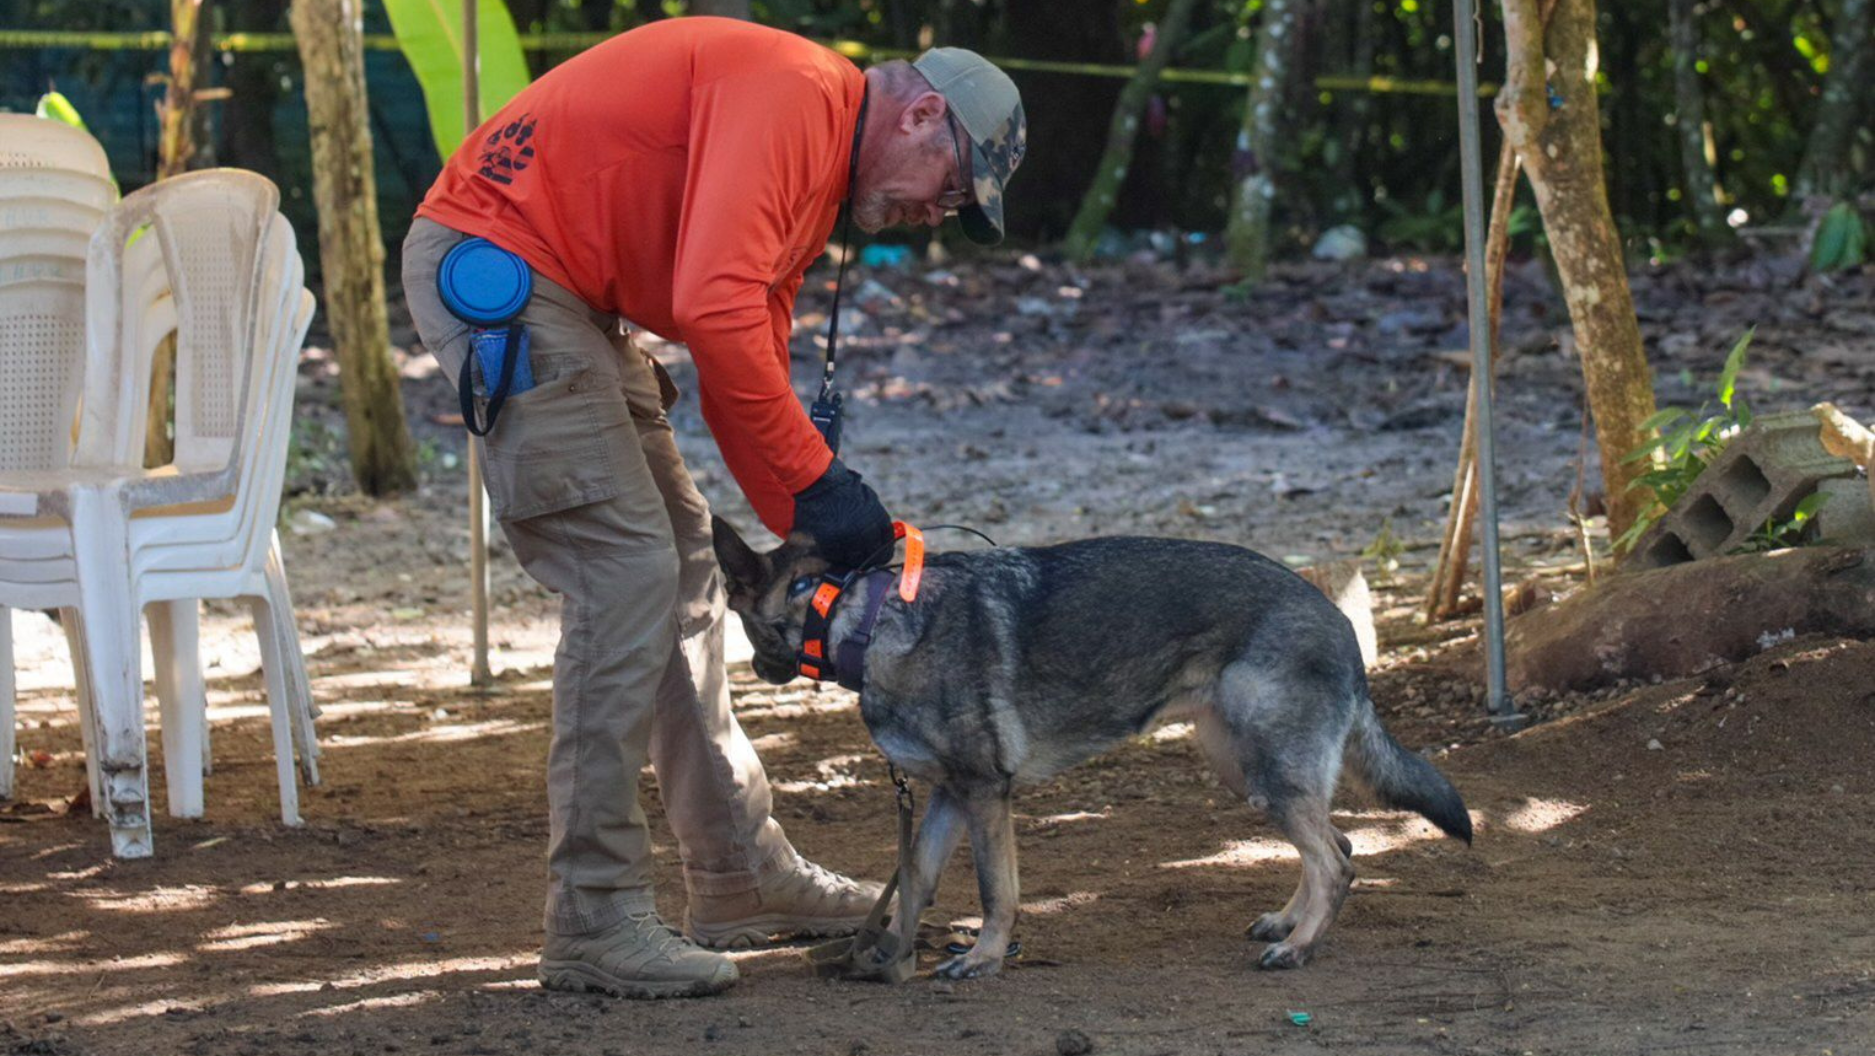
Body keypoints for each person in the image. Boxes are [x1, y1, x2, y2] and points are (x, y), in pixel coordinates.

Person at [401, 16, 1025, 999]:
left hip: (565, 288)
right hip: (505, 267)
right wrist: (822, 489)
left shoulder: (811, 178)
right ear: (923, 113)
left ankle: (736, 874)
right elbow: (712, 303)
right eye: (952, 185)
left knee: (686, 565)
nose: (939, 213)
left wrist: (814, 529)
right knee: (627, 574)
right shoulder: (795, 94)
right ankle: (592, 918)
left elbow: (749, 372)